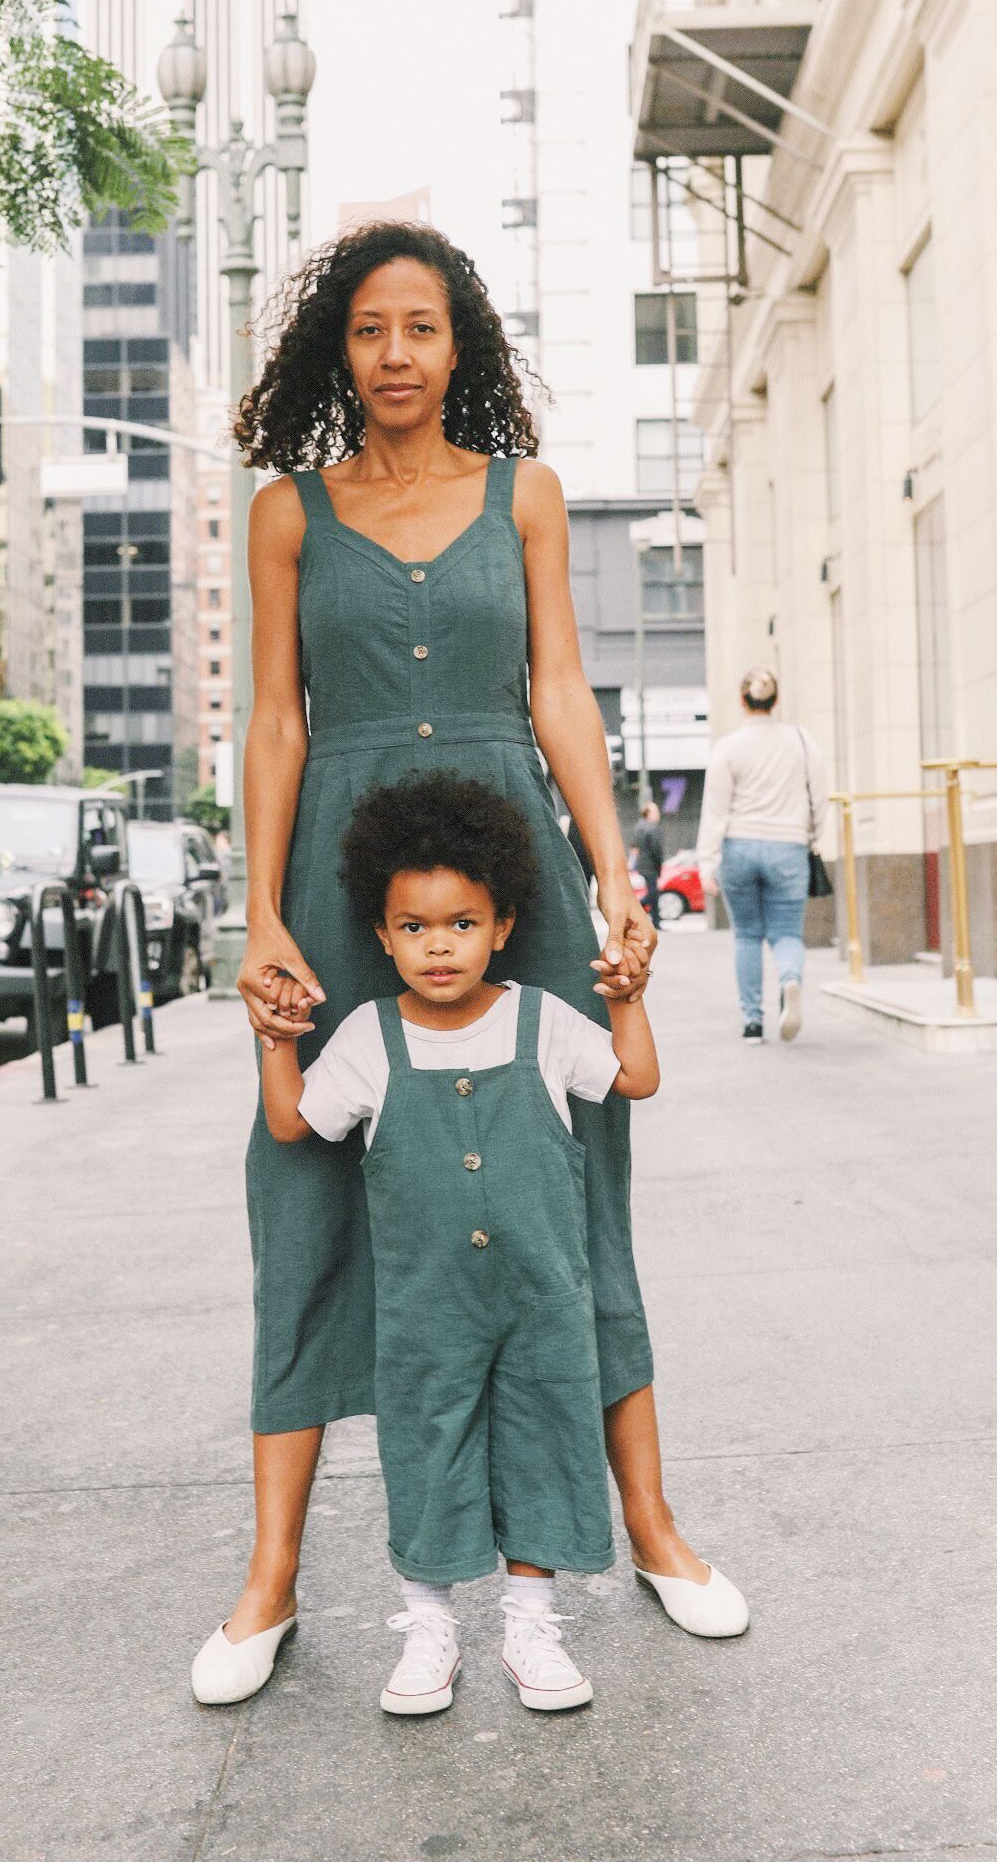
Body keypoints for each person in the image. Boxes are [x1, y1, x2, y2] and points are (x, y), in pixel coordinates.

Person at [190, 221, 748, 1711]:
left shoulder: (531, 498)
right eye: (368, 330)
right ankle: (272, 1581)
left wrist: (614, 872)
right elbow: (277, 723)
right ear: (337, 348)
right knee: (301, 1194)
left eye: (420, 328)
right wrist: (263, 915)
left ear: (461, 345)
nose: (392, 355)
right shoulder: (288, 514)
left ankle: (650, 1529)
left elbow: (560, 687)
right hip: (335, 876)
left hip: (520, 878)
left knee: (580, 1193)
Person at [260, 772, 662, 1716]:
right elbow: (293, 1125)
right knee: (427, 1447)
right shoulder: (367, 1038)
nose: (438, 946)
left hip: (541, 1295)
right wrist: (274, 1032)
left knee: (542, 1439)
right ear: (380, 934)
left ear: (504, 926)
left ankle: (532, 1622)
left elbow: (635, 1077)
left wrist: (628, 994)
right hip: (424, 1306)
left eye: (462, 923)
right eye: (413, 927)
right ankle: (429, 1625)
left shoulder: (544, 1022)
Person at [696, 667, 828, 1043]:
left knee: (747, 936)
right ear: (776, 700)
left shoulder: (728, 747)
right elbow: (819, 797)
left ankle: (753, 1022)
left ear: (742, 701)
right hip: (789, 847)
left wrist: (707, 862)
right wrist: (812, 835)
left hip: (739, 848)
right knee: (786, 932)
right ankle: (790, 980)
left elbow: (715, 810)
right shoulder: (802, 741)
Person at [633, 799, 666, 930]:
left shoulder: (639, 827)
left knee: (654, 893)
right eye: (656, 811)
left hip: (642, 865)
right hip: (651, 866)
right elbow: (656, 850)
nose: (658, 814)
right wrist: (659, 868)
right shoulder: (652, 828)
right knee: (653, 893)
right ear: (649, 813)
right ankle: (636, 908)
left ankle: (656, 921)